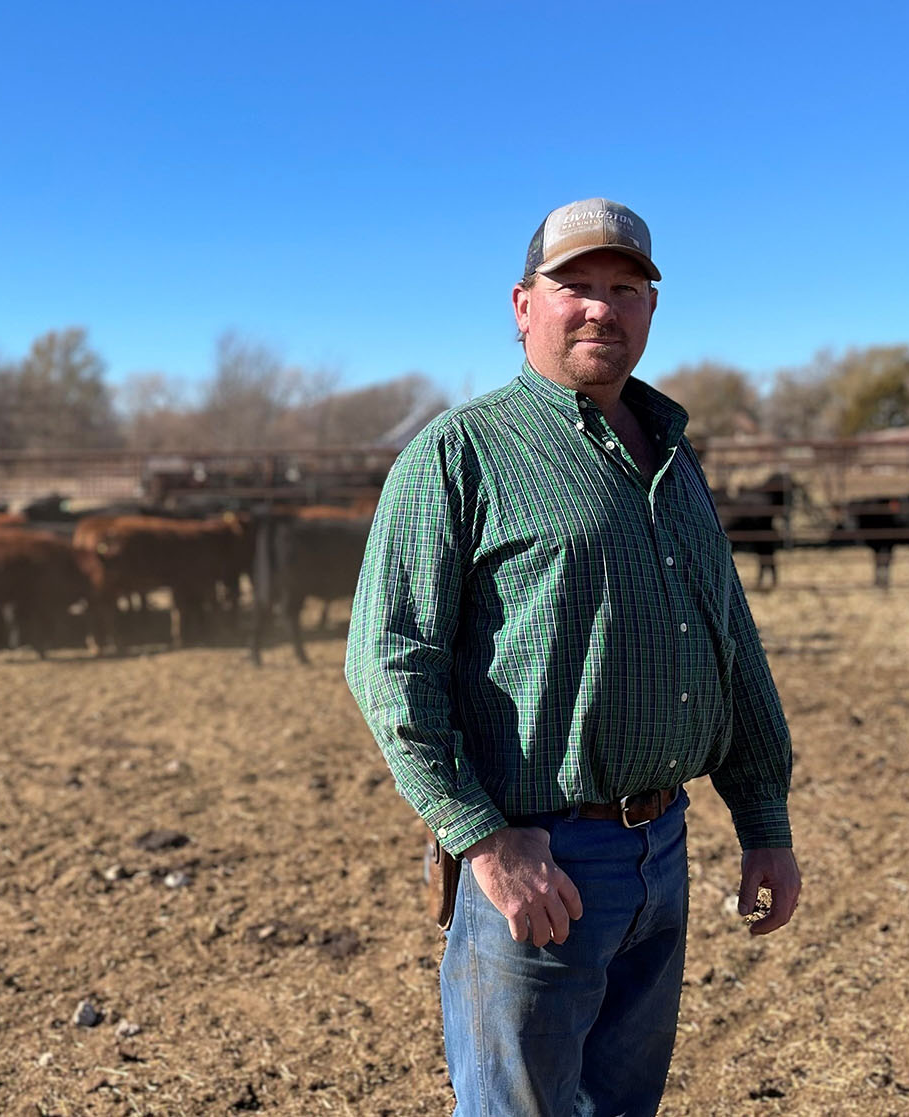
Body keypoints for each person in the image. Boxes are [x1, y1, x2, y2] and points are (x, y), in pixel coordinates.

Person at [344, 197, 801, 1117]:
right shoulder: (458, 455)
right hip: (537, 859)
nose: (602, 307)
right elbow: (389, 660)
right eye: (575, 286)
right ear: (523, 305)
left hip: (661, 850)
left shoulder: (673, 455)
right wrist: (480, 836)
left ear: (650, 309)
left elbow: (731, 644)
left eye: (624, 287)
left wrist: (764, 820)